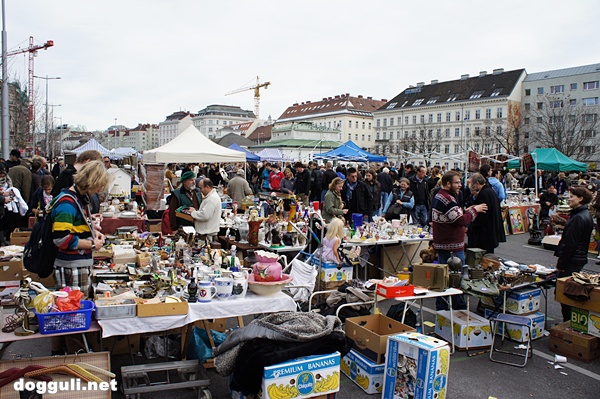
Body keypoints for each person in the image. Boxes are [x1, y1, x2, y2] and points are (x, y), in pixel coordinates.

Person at [431, 171, 487, 310]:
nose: (460, 185)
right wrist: (475, 210)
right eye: (456, 182)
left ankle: (443, 308)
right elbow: (460, 220)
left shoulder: (442, 196)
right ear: (448, 183)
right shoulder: (447, 199)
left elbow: (453, 215)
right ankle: (458, 310)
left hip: (445, 244)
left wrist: (465, 210)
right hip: (451, 246)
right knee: (456, 280)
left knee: (444, 279)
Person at [52, 160, 108, 295]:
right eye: (99, 186)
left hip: (76, 266)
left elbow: (74, 228)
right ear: (91, 182)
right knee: (75, 309)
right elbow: (61, 238)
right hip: (71, 267)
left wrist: (92, 231)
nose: (99, 190)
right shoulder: (67, 202)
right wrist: (92, 244)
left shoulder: (76, 199)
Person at [554, 187, 594, 321]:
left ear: (581, 199)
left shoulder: (578, 217)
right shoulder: (584, 214)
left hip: (572, 260)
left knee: (565, 293)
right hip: (579, 258)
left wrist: (561, 264)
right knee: (570, 291)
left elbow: (570, 244)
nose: (569, 199)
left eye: (572, 196)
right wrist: (565, 223)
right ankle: (571, 323)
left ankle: (569, 324)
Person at [467, 173, 506, 254]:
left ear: (477, 183)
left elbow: (481, 216)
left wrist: (470, 226)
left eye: (472, 184)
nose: (471, 186)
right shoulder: (490, 191)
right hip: (490, 232)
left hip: (485, 234)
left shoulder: (484, 194)